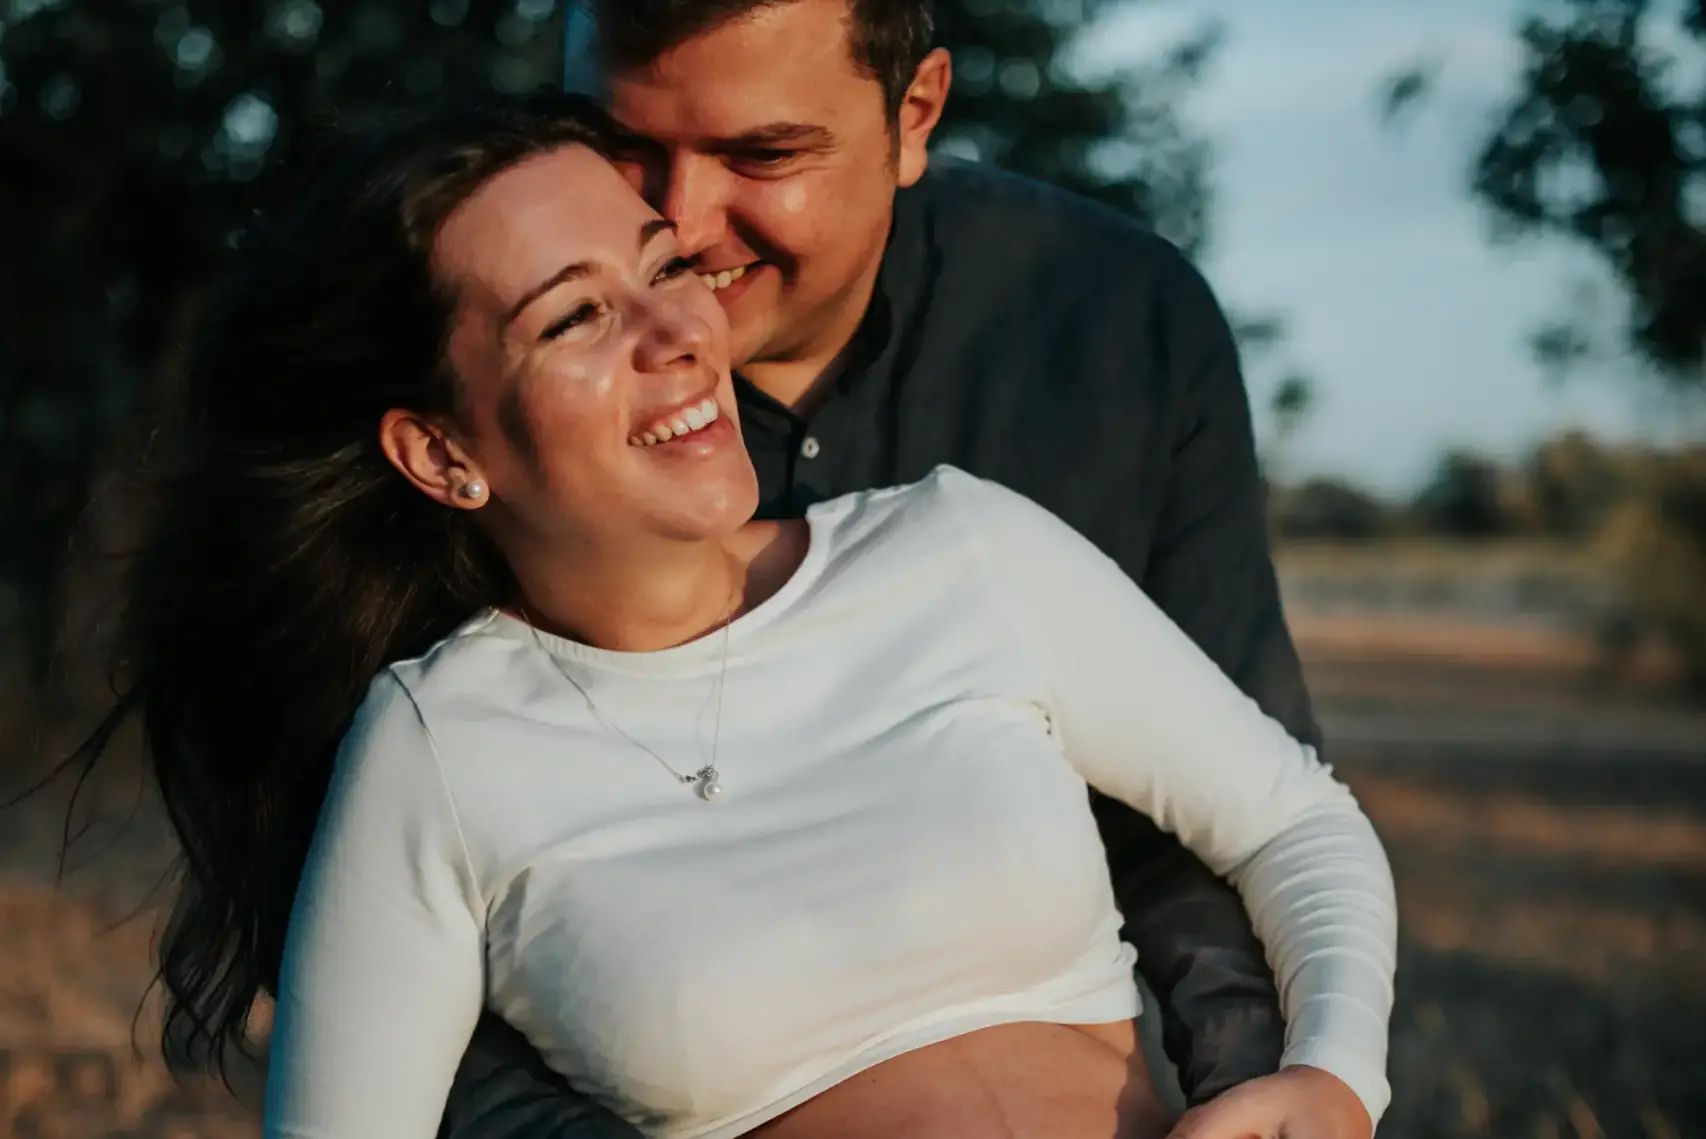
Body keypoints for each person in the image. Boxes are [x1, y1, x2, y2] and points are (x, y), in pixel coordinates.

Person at [99, 94, 1395, 1139]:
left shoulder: (959, 548)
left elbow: (1293, 817)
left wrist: (1334, 1073)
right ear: (441, 453)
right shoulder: (439, 746)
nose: (677, 329)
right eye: (575, 315)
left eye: (664, 267)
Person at [443, 2, 1332, 1137]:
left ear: (913, 114)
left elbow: (1218, 824)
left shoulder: (1119, 327)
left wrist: (1259, 1094)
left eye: (763, 154)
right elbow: (358, 894)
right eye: (619, 142)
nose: (680, 221)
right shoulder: (459, 371)